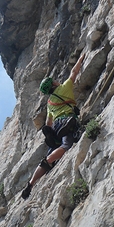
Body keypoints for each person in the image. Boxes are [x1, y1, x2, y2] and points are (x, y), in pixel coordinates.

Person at [21, 53, 86, 200]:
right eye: (54, 81)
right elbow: (74, 73)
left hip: (55, 127)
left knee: (54, 147)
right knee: (66, 145)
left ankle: (31, 183)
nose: (56, 80)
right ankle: (49, 159)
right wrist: (81, 58)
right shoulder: (64, 88)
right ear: (54, 84)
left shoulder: (50, 103)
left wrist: (50, 131)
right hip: (67, 121)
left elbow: (48, 124)